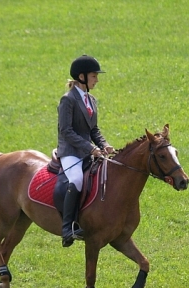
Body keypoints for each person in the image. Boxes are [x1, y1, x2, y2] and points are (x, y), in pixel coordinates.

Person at [57, 55, 114, 247]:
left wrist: (104, 145)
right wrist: (91, 148)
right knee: (77, 179)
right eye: (94, 76)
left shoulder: (91, 100)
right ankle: (67, 228)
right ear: (81, 77)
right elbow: (66, 131)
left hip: (88, 151)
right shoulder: (68, 100)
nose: (97, 79)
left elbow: (93, 130)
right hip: (70, 151)